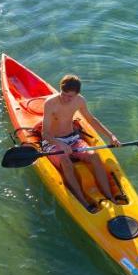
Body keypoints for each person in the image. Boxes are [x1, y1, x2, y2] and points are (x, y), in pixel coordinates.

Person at [40, 74, 127, 213]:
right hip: (52, 141)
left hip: (72, 139)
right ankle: (83, 201)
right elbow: (45, 134)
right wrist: (60, 144)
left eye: (71, 96)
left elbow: (91, 120)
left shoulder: (79, 101)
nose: (67, 99)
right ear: (60, 89)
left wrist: (111, 136)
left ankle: (110, 197)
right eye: (64, 94)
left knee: (95, 156)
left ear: (77, 95)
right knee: (65, 160)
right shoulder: (50, 103)